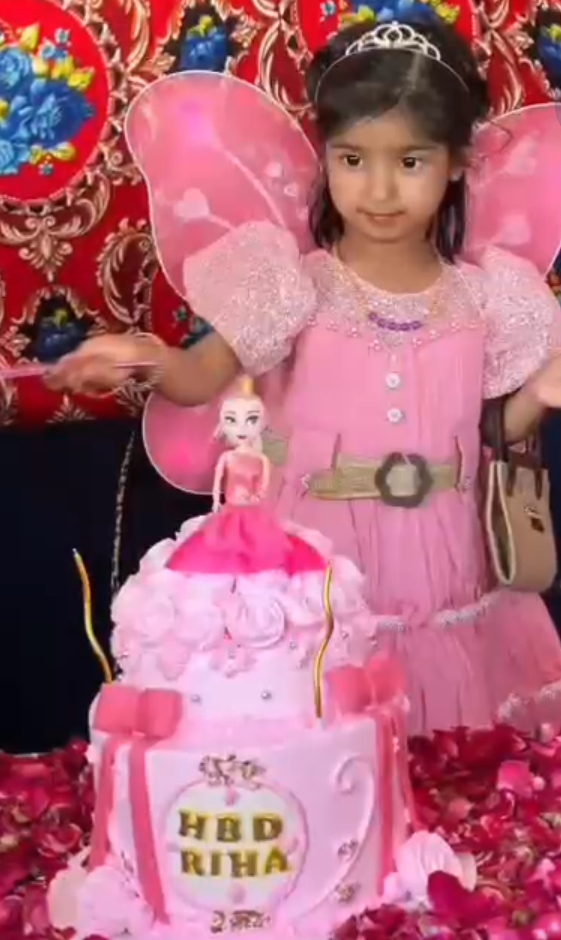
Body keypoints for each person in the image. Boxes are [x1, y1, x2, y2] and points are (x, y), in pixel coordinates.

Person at [44, 17, 561, 735]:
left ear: (455, 163)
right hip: (316, 560)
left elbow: (490, 432)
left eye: (410, 162)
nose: (379, 189)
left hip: (444, 566)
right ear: (326, 158)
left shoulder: (485, 298)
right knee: (326, 739)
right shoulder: (290, 285)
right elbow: (200, 376)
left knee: (438, 750)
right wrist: (148, 359)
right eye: (352, 159)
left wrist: (539, 393)